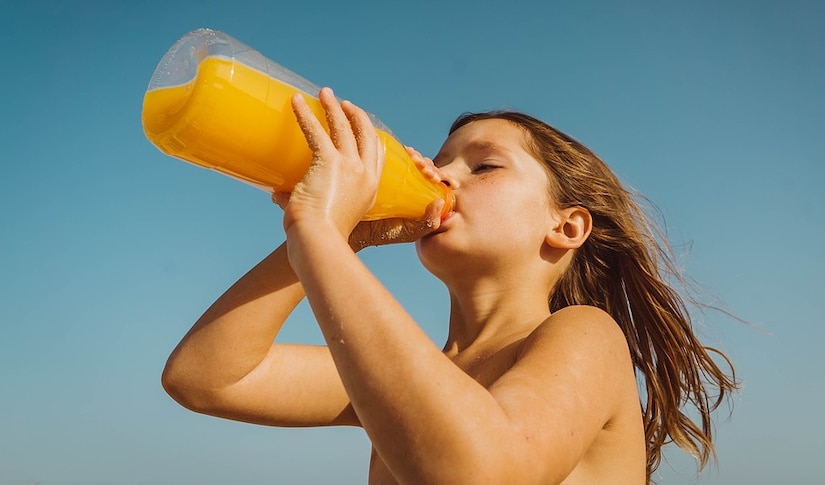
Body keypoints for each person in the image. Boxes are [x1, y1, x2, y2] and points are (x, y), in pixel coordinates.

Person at [161, 87, 739, 484]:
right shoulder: (416, 375)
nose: (441, 176)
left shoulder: (586, 334)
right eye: (439, 163)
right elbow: (207, 377)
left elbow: (476, 471)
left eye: (483, 167)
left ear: (566, 227)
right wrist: (345, 235)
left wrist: (318, 232)